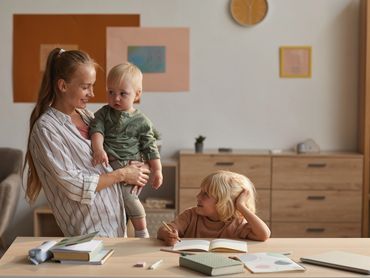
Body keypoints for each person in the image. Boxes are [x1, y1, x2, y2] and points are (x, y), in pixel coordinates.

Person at [24, 48, 150, 237]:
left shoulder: (89, 117)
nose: (92, 93)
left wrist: (138, 166)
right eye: (85, 87)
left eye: (93, 86)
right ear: (63, 85)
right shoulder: (46, 129)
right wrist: (123, 174)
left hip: (116, 227)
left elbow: (118, 149)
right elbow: (75, 185)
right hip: (88, 235)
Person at [89, 62, 163, 238]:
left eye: (123, 94)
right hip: (109, 164)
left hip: (130, 165)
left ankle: (142, 231)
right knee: (116, 202)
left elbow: (150, 146)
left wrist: (157, 169)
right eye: (111, 92)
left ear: (137, 95)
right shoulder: (103, 113)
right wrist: (98, 149)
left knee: (129, 198)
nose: (116, 98)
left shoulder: (142, 121)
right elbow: (96, 131)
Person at [157, 170, 271, 246]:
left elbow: (264, 235)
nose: (198, 196)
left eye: (205, 194)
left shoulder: (237, 223)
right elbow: (163, 230)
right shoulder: (190, 215)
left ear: (224, 202)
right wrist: (167, 234)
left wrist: (241, 206)